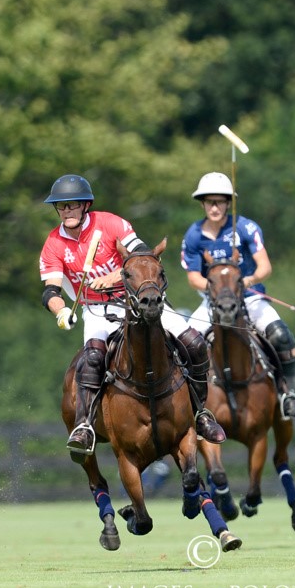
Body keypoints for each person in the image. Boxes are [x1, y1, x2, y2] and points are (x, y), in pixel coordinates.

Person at [39, 174, 226, 454]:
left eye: (72, 205)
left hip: (137, 301)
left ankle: (201, 413)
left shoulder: (111, 223)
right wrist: (62, 311)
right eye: (61, 207)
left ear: (85, 206)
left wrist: (115, 276)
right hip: (97, 310)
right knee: (91, 360)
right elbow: (50, 291)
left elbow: (144, 256)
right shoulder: (54, 243)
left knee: (195, 344)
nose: (66, 211)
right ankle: (85, 426)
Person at [180, 172, 295, 420]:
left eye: (220, 201)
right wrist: (219, 290)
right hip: (213, 302)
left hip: (250, 298)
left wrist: (246, 281)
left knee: (281, 336)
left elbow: (265, 267)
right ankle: (188, 405)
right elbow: (193, 277)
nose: (214, 207)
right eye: (209, 202)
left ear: (228, 203)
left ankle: (288, 395)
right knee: (184, 346)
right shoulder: (194, 234)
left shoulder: (246, 228)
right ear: (202, 204)